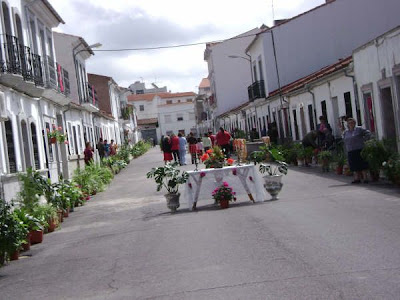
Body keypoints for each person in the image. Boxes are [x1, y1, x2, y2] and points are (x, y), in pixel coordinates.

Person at [342, 117, 371, 184]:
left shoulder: (359, 129)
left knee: (362, 164)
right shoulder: (346, 132)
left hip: (359, 149)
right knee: (354, 165)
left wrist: (365, 140)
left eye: (352, 123)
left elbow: (368, 133)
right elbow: (344, 139)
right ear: (347, 124)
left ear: (355, 123)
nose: (351, 124)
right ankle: (357, 178)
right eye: (349, 123)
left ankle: (365, 178)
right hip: (351, 150)